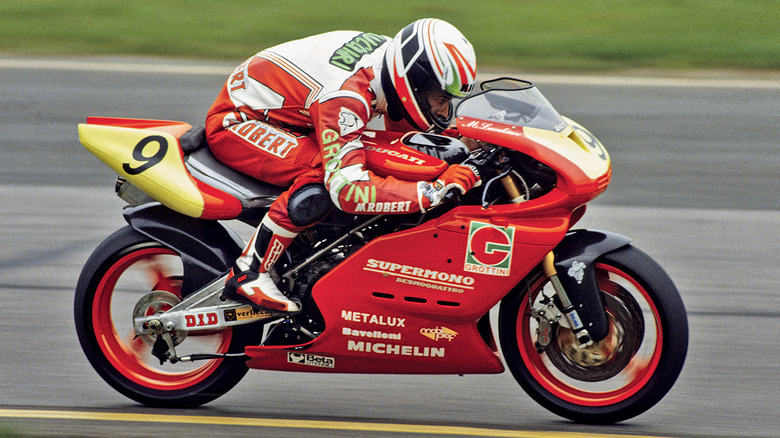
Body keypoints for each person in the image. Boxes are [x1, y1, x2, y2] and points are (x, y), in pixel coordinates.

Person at [205, 18, 480, 313]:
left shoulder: (394, 64)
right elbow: (348, 191)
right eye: (440, 98)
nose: (444, 110)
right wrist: (432, 191)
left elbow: (405, 135)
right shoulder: (346, 97)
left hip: (295, 113)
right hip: (240, 122)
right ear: (415, 81)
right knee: (325, 175)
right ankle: (249, 271)